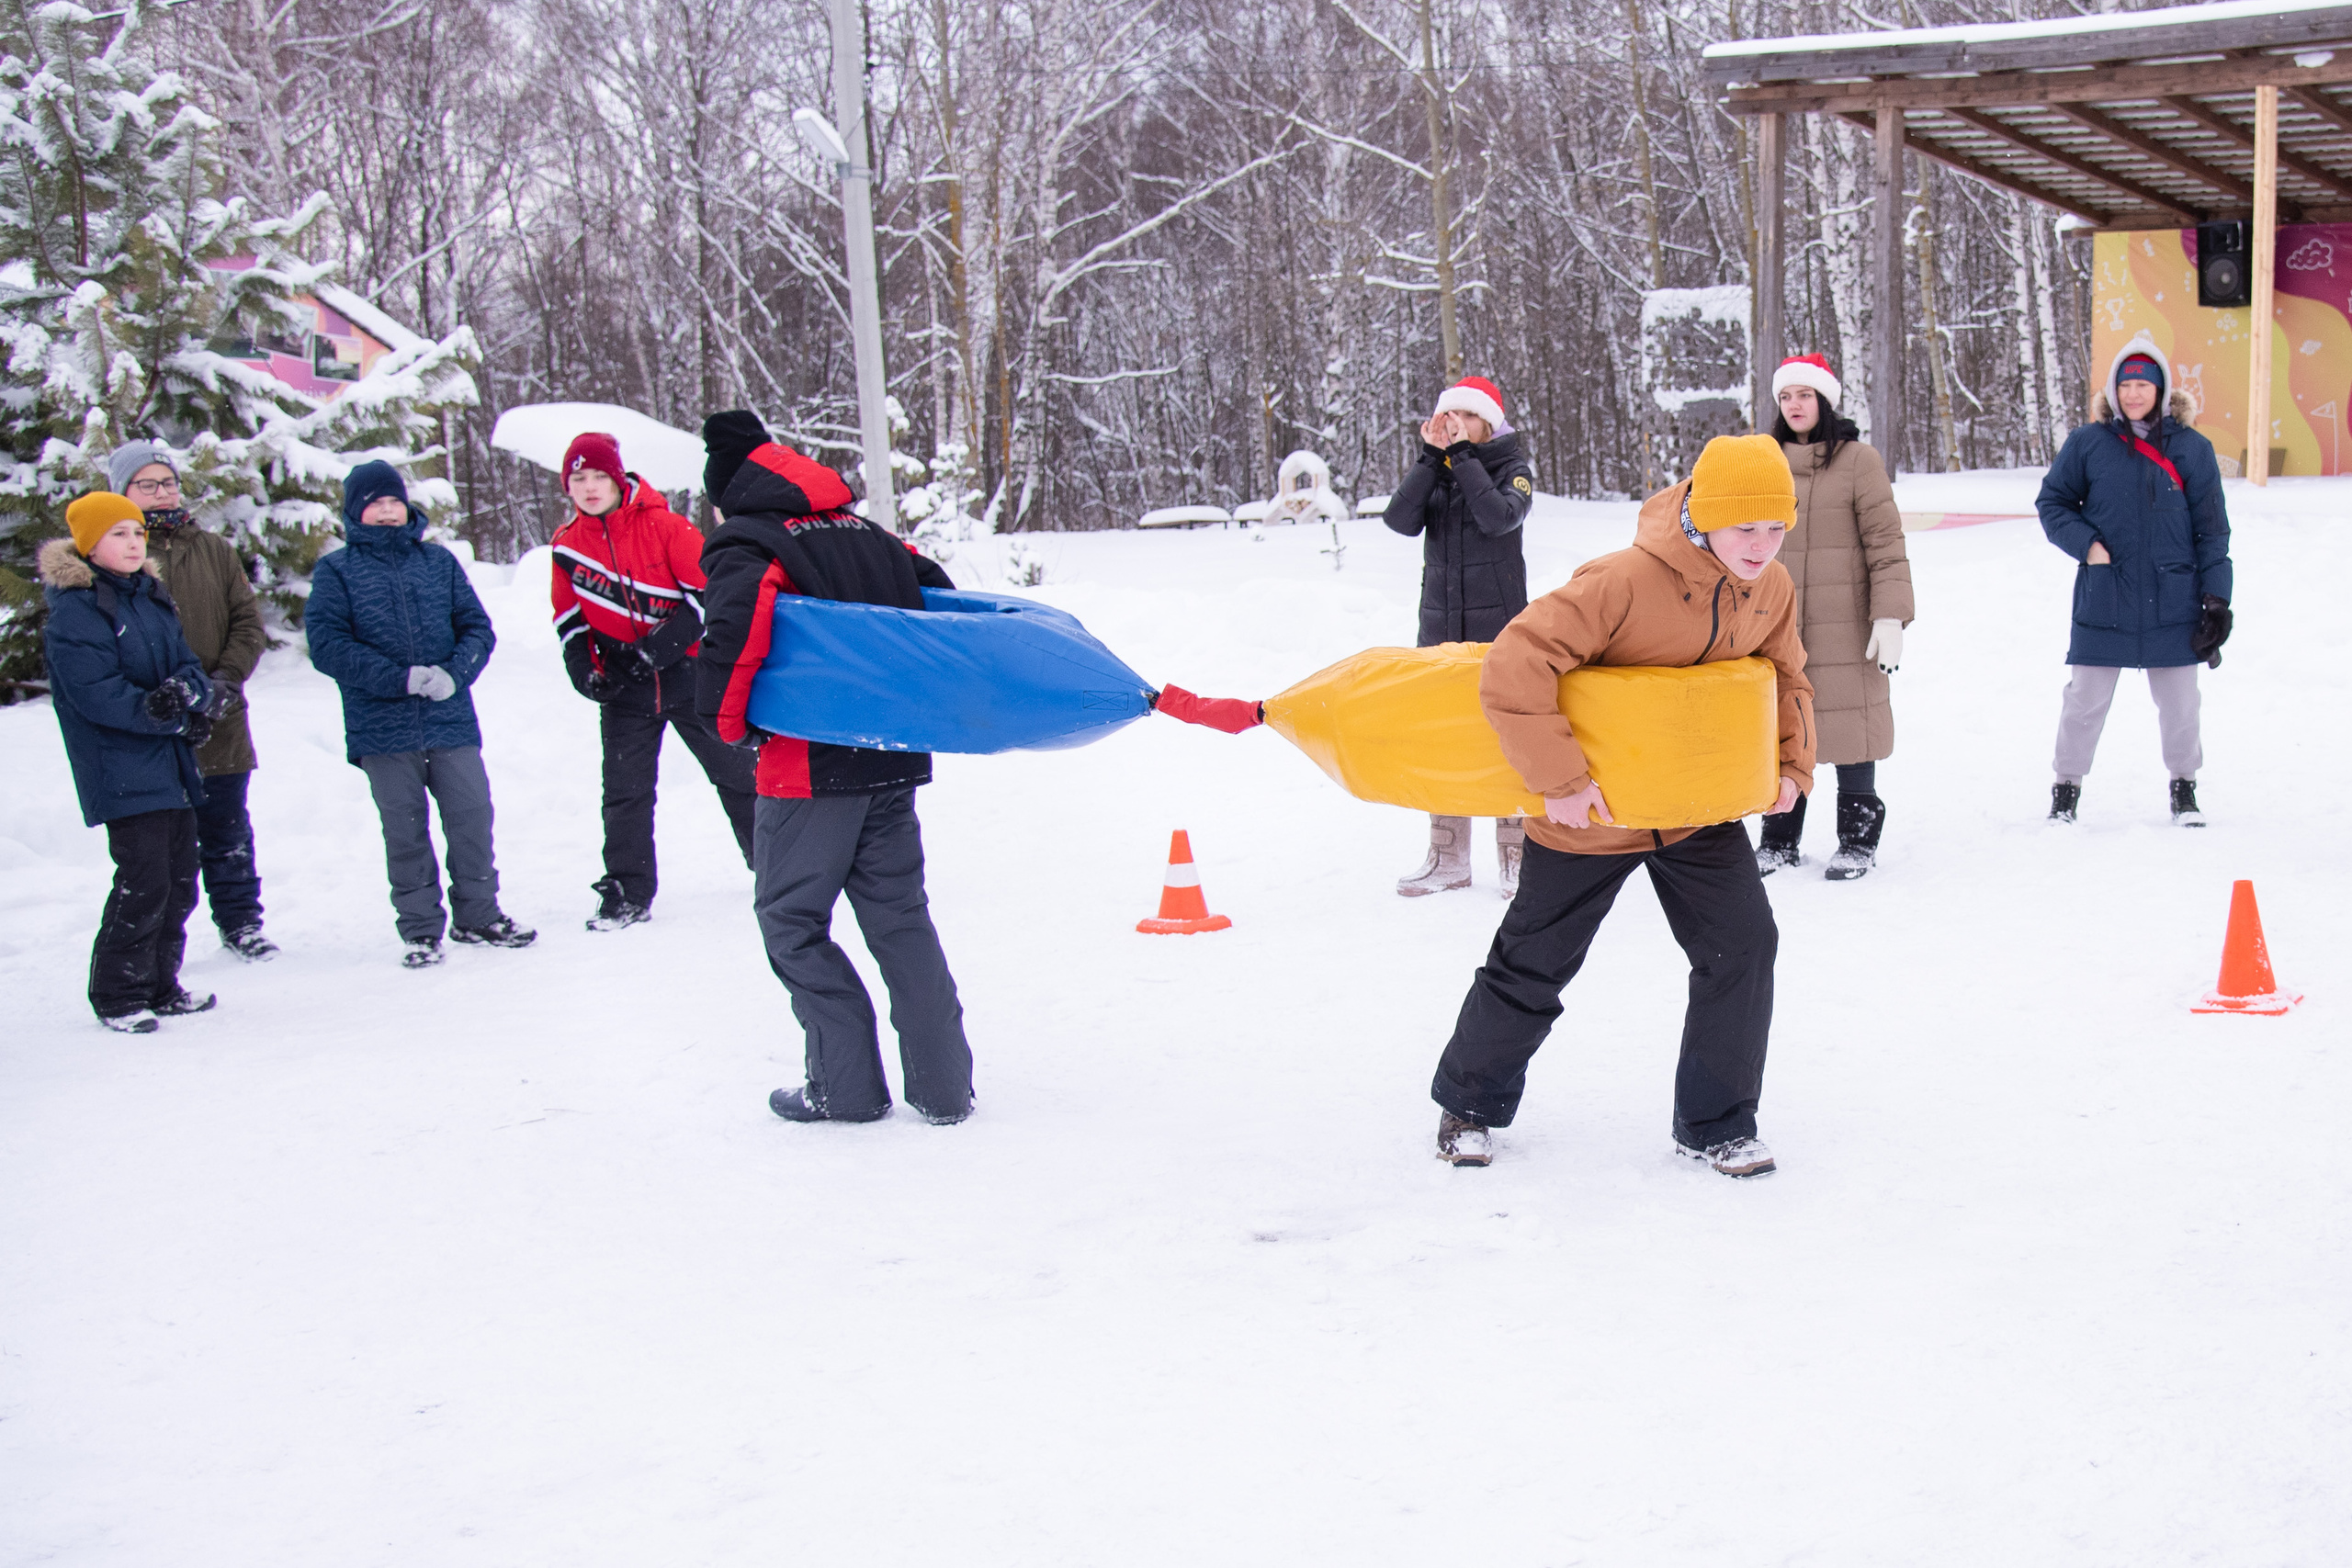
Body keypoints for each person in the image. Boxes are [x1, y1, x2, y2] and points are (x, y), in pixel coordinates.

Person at [1428, 434, 1815, 1177]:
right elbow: (1517, 662)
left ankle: (1717, 1123)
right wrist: (1562, 780)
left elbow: (1786, 675)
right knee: (1534, 963)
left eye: (1776, 528)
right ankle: (1468, 1104)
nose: (1762, 546)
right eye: (1747, 528)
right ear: (1705, 516)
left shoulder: (1770, 587)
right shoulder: (1624, 581)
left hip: (1696, 808)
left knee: (1744, 944)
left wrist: (1792, 765)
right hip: (1594, 814)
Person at [694, 411, 971, 1126]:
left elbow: (736, 630)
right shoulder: (873, 535)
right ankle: (943, 1088)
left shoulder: (748, 540)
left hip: (807, 766)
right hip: (892, 755)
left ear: (728, 493)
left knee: (790, 920)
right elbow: (938, 604)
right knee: (900, 917)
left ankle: (844, 1088)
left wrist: (729, 727)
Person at [306, 462, 536, 967]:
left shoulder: (438, 562)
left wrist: (454, 674)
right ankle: (419, 930)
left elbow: (477, 628)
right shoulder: (337, 570)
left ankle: (480, 916)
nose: (387, 510)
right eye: (375, 502)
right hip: (381, 726)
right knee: (405, 829)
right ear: (354, 511)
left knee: (472, 815)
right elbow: (327, 645)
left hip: (449, 716)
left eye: (394, 500)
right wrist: (397, 678)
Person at [550, 431, 756, 931]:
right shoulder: (567, 545)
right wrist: (584, 670)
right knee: (625, 792)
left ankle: (776, 866)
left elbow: (712, 594)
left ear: (618, 479)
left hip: (689, 676)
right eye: (579, 478)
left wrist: (665, 646)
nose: (591, 487)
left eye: (600, 476)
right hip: (626, 687)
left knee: (738, 775)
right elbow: (570, 618)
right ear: (568, 487)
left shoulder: (665, 526)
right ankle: (627, 892)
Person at [40, 493, 221, 1032]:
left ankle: (162, 985)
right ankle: (118, 995)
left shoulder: (150, 595)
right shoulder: (77, 609)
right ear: (89, 544)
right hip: (120, 767)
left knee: (181, 877)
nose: (133, 542)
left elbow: (188, 665)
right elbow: (95, 693)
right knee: (144, 879)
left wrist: (191, 700)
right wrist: (159, 710)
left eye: (137, 532)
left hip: (169, 762)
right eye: (118, 533)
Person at [2037, 332, 2232, 826]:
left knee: (2182, 705)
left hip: (2175, 601)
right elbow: (2053, 503)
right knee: (2084, 701)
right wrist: (2090, 547)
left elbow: (2213, 532)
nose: (2134, 393)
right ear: (2113, 390)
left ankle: (2184, 790)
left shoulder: (2194, 450)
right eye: (2125, 384)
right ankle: (2066, 791)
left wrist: (2217, 600)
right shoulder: (2088, 443)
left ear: (2162, 390)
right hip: (2106, 596)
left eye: (2143, 384)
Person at [106, 441, 278, 957]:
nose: (162, 493)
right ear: (123, 492)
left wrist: (225, 681)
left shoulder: (214, 550)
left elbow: (248, 624)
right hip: (155, 723)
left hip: (220, 716)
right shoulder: (118, 554)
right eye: (147, 484)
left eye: (169, 482)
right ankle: (158, 941)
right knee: (161, 846)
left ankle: (241, 922)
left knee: (227, 831)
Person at [1754, 355, 1913, 880]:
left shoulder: (1858, 460)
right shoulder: (1762, 460)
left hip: (1847, 621)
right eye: (1785, 397)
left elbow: (1886, 545)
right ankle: (1778, 840)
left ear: (1823, 400)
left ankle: (1858, 841)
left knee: (1851, 728)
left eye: (1804, 394)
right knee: (1782, 727)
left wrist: (1889, 617)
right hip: (1777, 621)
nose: (1794, 405)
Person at [1382, 374, 1535, 897]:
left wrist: (1465, 458)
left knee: (1506, 744)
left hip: (1502, 636)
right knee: (1445, 741)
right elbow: (1398, 521)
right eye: (1448, 417)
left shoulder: (1513, 470)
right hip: (1440, 632)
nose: (1454, 426)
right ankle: (1448, 856)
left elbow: (1498, 519)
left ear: (1488, 422)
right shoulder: (1440, 472)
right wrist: (1430, 459)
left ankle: (1516, 857)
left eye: (1466, 416)